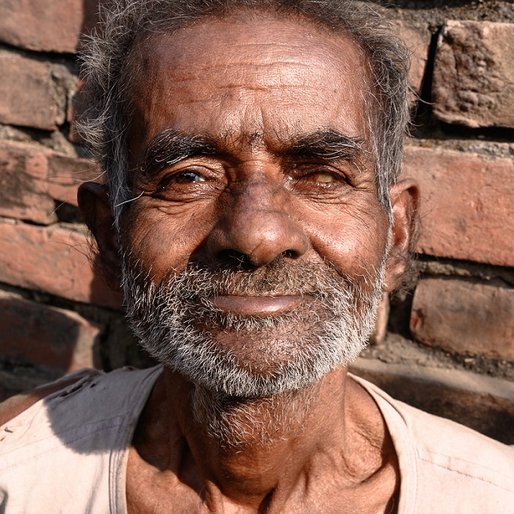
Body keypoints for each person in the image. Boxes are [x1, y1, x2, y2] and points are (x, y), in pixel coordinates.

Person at [1, 1, 513, 512]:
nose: (257, 236)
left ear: (395, 236)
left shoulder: (489, 496)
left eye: (322, 175)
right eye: (189, 176)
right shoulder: (23, 477)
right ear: (110, 235)